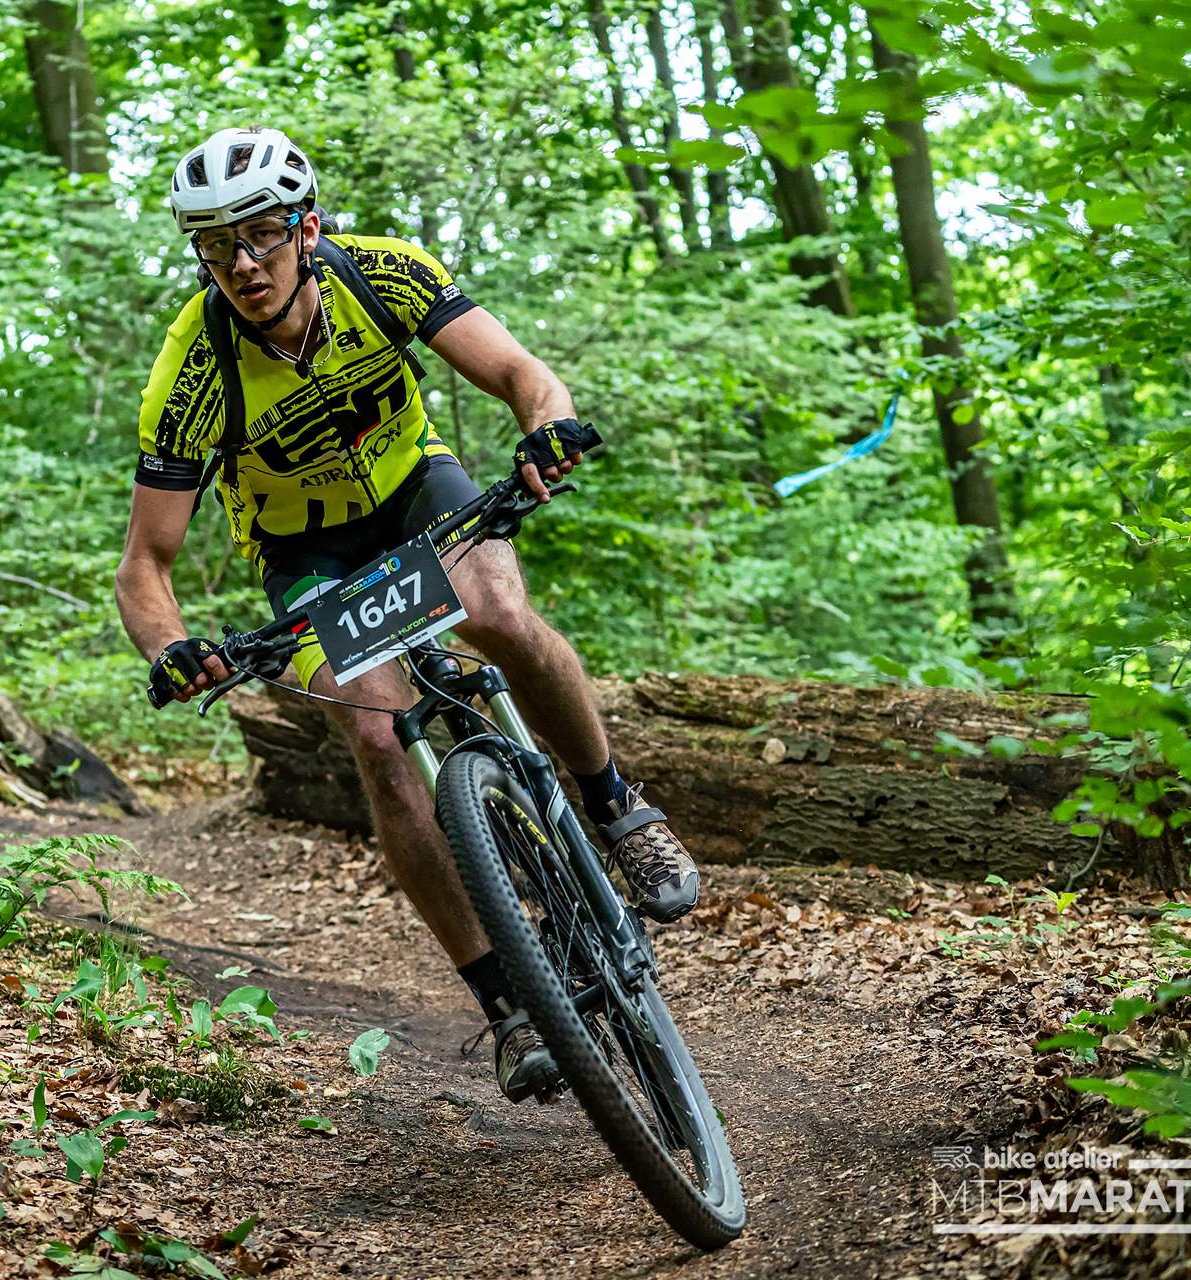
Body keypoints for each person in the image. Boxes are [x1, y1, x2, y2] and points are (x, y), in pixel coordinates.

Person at [115, 126, 698, 1102]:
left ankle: (616, 808)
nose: (243, 264)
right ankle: (506, 1003)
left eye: (260, 235)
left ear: (306, 228)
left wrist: (547, 427)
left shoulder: (381, 273)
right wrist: (172, 649)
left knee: (497, 611)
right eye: (216, 246)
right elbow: (144, 567)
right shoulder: (194, 371)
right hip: (307, 553)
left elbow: (523, 375)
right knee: (380, 739)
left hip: (415, 489)